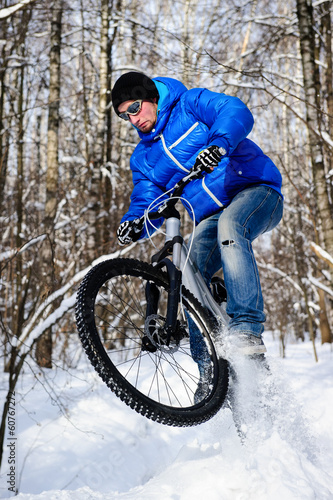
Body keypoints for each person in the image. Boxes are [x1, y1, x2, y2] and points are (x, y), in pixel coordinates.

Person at [111, 71, 283, 359]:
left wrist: (218, 145)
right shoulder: (143, 157)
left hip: (257, 191)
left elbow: (234, 110)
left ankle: (247, 327)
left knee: (231, 225)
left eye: (134, 108)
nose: (133, 119)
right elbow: (147, 199)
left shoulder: (190, 104)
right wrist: (133, 223)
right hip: (212, 216)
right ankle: (210, 372)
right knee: (189, 272)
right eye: (124, 116)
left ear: (151, 95)